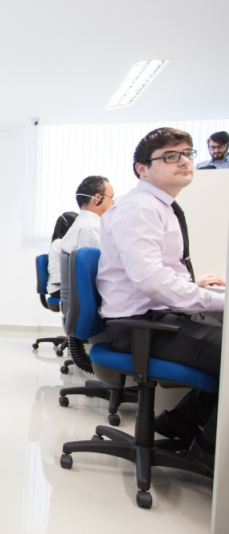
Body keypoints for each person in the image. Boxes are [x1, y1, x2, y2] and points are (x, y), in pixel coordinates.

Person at [96, 127, 225, 475]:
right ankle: (209, 453)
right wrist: (215, 302)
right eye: (170, 156)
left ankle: (176, 425)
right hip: (138, 326)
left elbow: (151, 270)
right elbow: (150, 280)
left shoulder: (160, 207)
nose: (183, 161)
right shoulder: (138, 209)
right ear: (142, 168)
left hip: (155, 316)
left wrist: (194, 285)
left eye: (187, 153)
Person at [59, 175, 114, 255]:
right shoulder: (92, 230)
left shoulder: (78, 225)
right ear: (97, 199)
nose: (113, 203)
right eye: (111, 197)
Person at [47, 212, 78, 298]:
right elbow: (78, 255)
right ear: (68, 226)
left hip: (63, 285)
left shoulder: (61, 243)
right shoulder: (59, 243)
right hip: (59, 288)